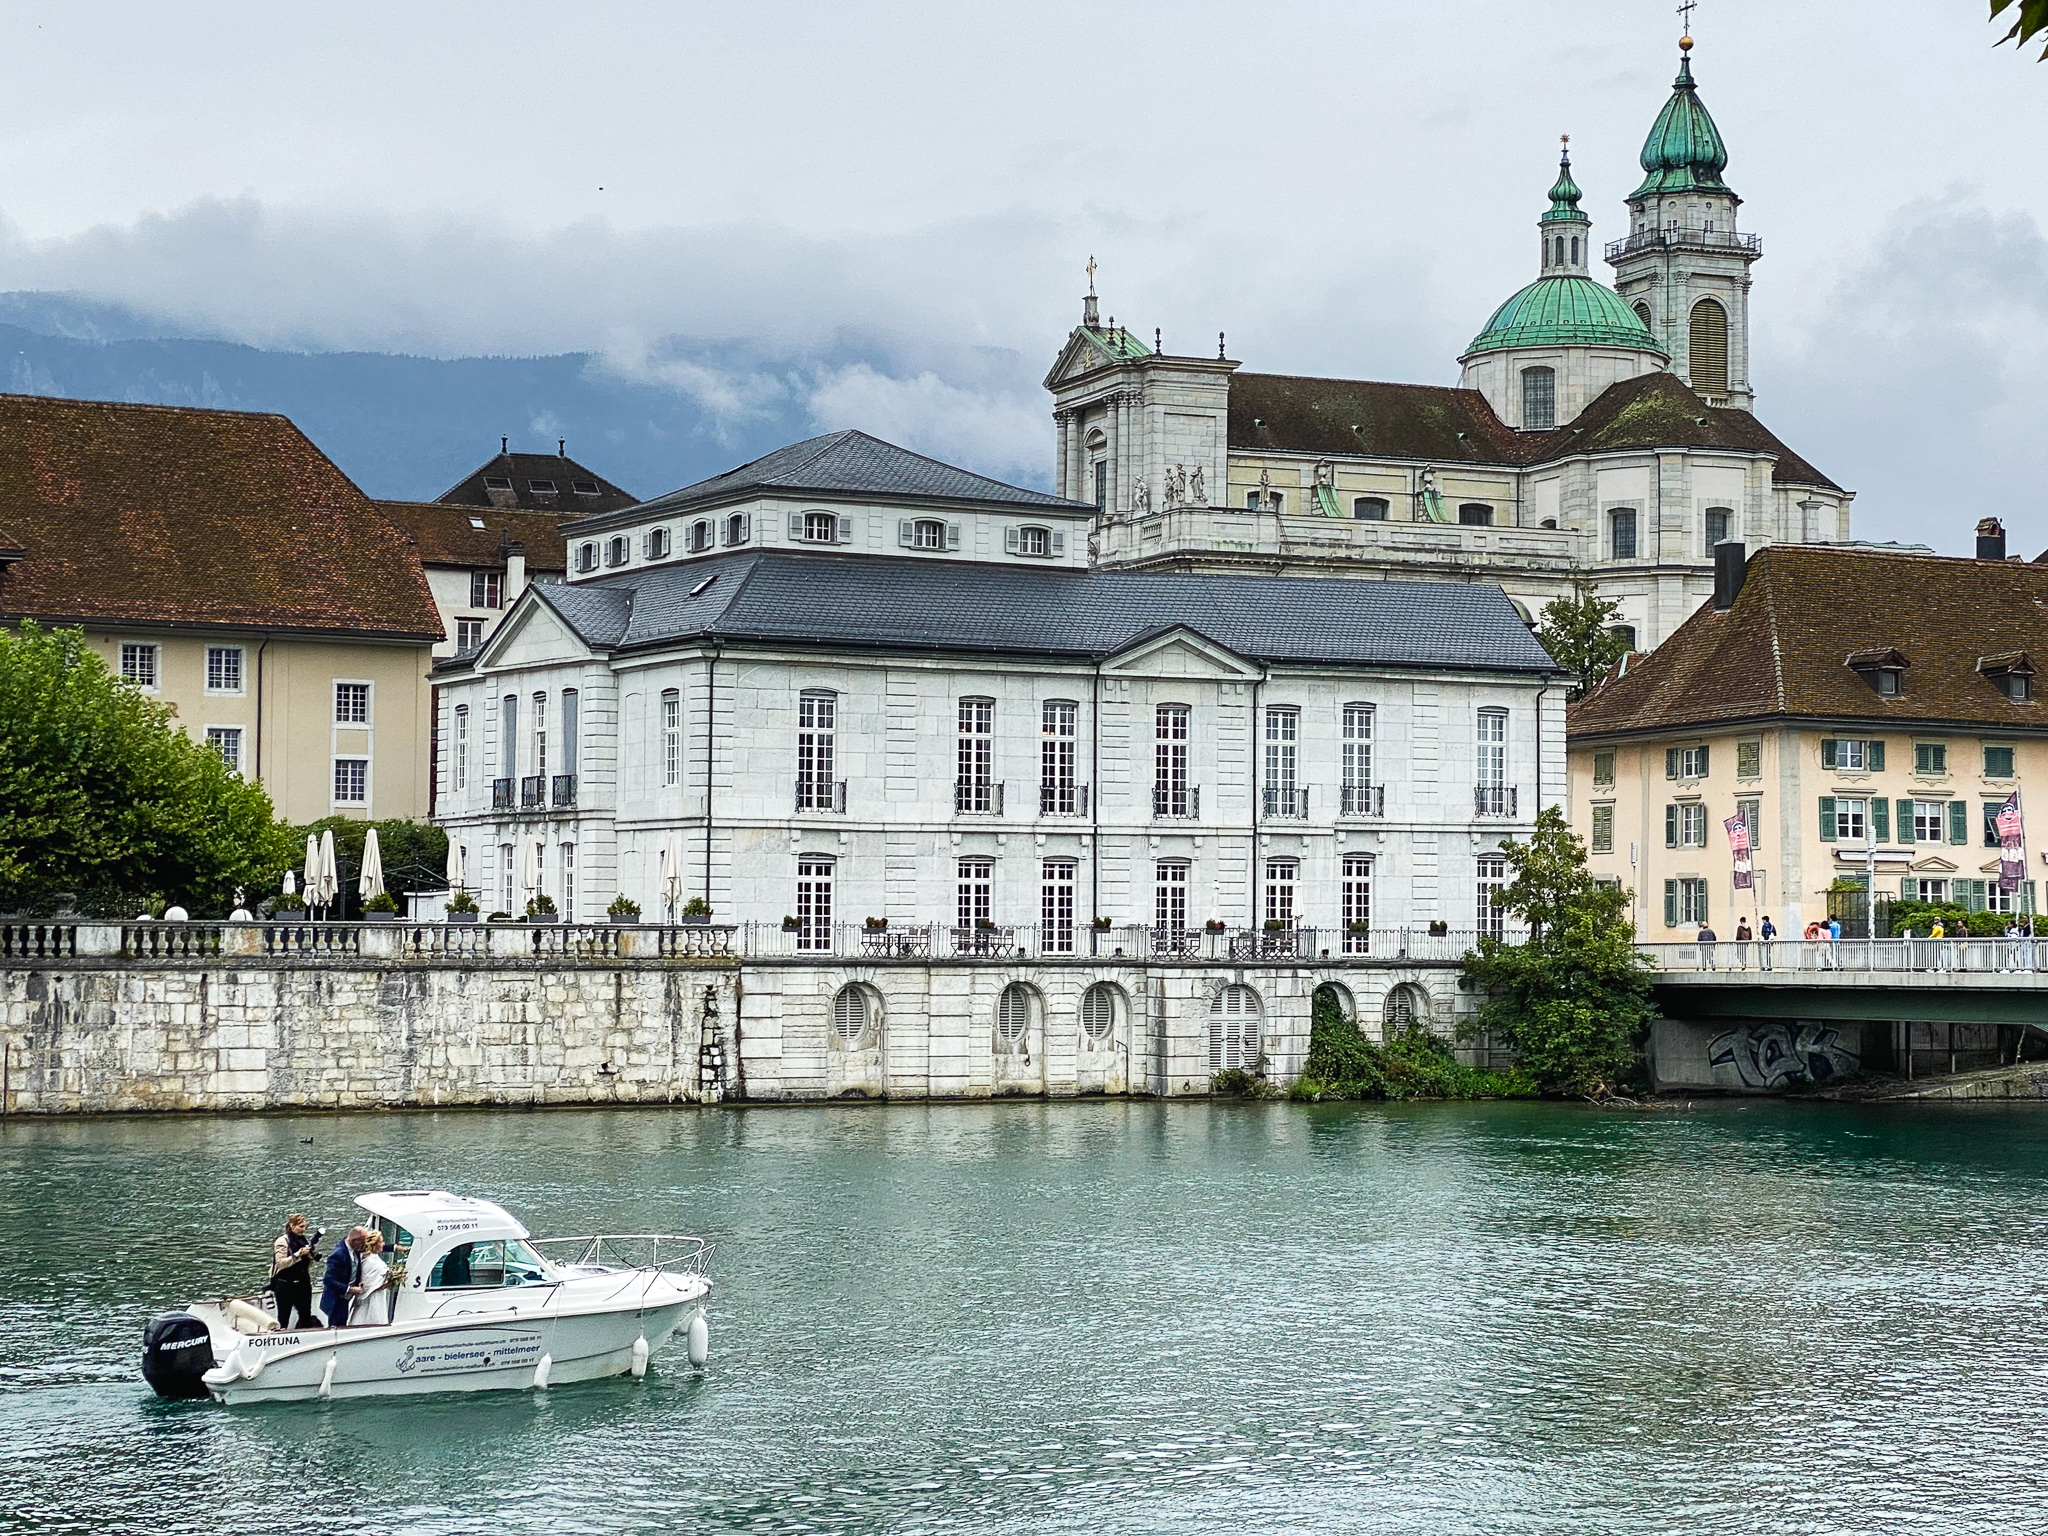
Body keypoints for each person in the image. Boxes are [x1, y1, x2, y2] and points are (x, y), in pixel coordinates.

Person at [270, 1213, 318, 1331]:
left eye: (305, 1227)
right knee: (284, 1316)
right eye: (301, 1227)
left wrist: (311, 1255)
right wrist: (299, 1255)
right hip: (285, 1283)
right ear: (292, 1225)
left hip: (302, 1282)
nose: (303, 1230)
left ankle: (306, 1334)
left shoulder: (303, 1240)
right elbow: (280, 1263)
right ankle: (282, 1334)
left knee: (306, 1315)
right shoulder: (282, 1241)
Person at [320, 1226, 368, 1328]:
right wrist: (349, 1289)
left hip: (345, 1298)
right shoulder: (338, 1254)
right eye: (362, 1242)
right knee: (337, 1326)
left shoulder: (355, 1249)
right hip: (336, 1299)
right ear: (354, 1240)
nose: (363, 1245)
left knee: (344, 1323)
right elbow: (328, 1280)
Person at [352, 1230, 392, 1326]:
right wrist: (387, 1282)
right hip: (373, 1296)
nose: (383, 1244)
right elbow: (369, 1281)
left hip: (378, 1294)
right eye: (381, 1242)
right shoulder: (370, 1261)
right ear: (375, 1244)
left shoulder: (371, 1258)